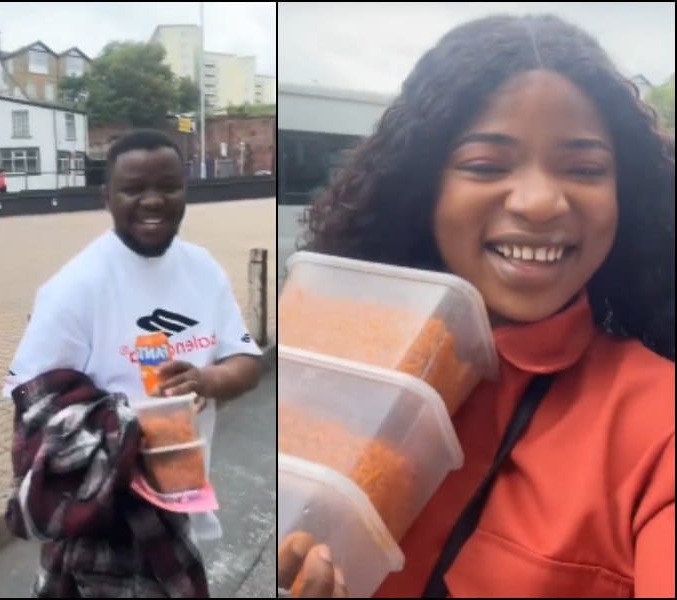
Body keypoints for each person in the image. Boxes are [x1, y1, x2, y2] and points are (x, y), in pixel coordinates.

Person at [280, 14, 674, 598]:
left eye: (586, 169)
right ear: (422, 187)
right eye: (487, 165)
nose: (540, 203)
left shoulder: (658, 427)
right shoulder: (321, 356)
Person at [2, 129, 265, 596]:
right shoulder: (75, 288)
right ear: (107, 197)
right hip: (106, 520)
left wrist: (208, 379)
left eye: (168, 186)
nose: (153, 201)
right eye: (134, 189)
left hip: (183, 500)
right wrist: (121, 429)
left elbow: (245, 359)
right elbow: (31, 410)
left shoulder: (203, 270)